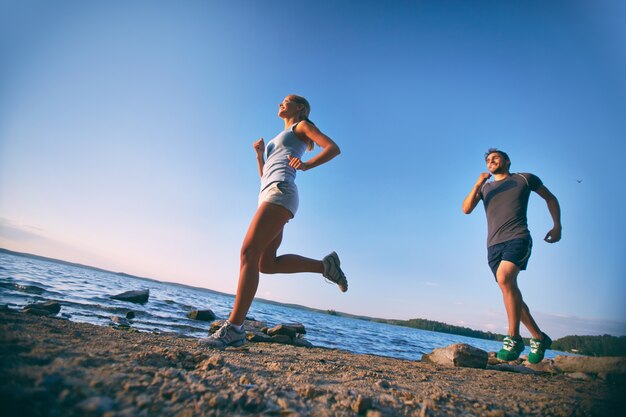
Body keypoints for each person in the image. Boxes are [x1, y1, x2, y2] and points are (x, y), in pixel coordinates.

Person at [206, 94, 348, 348]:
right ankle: (325, 267)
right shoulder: (278, 138)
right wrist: (260, 156)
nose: (281, 104)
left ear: (300, 108)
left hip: (280, 192)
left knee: (248, 252)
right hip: (270, 193)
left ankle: (235, 328)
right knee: (266, 264)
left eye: (287, 101)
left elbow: (333, 148)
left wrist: (306, 165)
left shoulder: (301, 127)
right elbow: (264, 175)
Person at [462, 149, 562, 363]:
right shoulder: (485, 188)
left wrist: (557, 226)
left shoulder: (524, 179)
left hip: (518, 238)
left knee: (506, 279)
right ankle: (539, 337)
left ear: (507, 161)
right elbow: (466, 209)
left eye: (495, 158)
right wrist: (478, 183)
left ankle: (514, 338)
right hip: (493, 246)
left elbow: (550, 198)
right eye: (488, 160)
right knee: (510, 290)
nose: (491, 161)